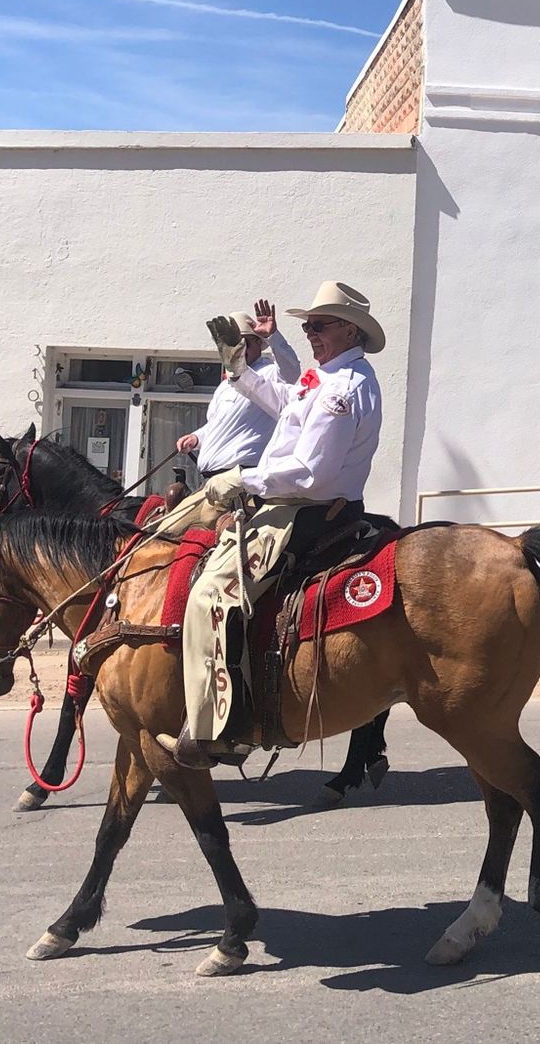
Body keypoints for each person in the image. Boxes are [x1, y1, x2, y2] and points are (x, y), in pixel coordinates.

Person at [157, 281, 386, 770]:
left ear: (349, 329)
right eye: (307, 326)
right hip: (288, 501)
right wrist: (238, 366)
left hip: (306, 509)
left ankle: (220, 727)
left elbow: (310, 472)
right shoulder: (327, 376)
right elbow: (282, 400)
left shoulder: (342, 389)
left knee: (210, 595)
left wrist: (242, 479)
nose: (310, 333)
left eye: (318, 325)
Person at [175, 311, 302, 480]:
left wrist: (273, 336)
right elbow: (217, 425)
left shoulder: (270, 372)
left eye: (244, 344)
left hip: (241, 475)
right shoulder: (224, 386)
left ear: (258, 342)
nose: (238, 351)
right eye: (232, 346)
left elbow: (291, 369)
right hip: (215, 478)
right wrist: (197, 438)